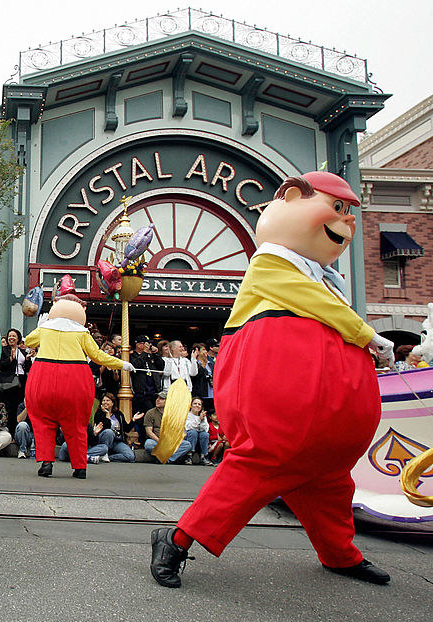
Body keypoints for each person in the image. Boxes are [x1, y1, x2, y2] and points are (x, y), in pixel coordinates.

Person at [151, 171, 394, 590]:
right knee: (256, 467)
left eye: (351, 213)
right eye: (337, 208)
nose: (348, 221)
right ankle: (175, 540)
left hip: (328, 428)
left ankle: (340, 553)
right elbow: (309, 301)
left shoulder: (326, 279)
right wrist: (366, 334)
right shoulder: (272, 264)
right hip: (281, 418)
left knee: (329, 481)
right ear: (294, 197)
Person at [24, 278, 133, 479]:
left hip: (43, 377)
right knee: (77, 425)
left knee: (43, 423)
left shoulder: (46, 329)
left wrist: (40, 325)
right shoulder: (82, 332)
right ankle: (80, 466)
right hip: (75, 381)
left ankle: (46, 463)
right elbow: (98, 356)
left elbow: (28, 342)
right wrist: (122, 364)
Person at [143, 390, 193, 464]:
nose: (158, 400)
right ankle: (166, 458)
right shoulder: (150, 413)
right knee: (148, 444)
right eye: (157, 398)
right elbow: (149, 431)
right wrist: (159, 441)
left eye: (161, 399)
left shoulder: (174, 414)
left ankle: (167, 459)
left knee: (187, 445)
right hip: (156, 441)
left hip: (170, 441)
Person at [0, 328, 30, 431]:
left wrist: (27, 360)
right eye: (10, 336)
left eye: (14, 336)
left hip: (21, 382)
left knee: (18, 407)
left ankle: (17, 433)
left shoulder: (22, 351)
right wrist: (10, 359)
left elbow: (28, 368)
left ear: (18, 338)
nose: (11, 338)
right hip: (8, 383)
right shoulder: (3, 350)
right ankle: (8, 432)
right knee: (8, 408)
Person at [93, 393, 138, 463]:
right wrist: (107, 414)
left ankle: (108, 457)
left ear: (112, 403)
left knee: (130, 456)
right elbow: (106, 427)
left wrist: (133, 420)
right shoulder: (99, 414)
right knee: (109, 432)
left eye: (108, 400)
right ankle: (105, 453)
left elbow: (126, 429)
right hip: (104, 440)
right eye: (103, 400)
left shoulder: (118, 414)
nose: (105, 402)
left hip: (117, 441)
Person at [184, 397, 210, 465]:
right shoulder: (187, 415)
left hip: (199, 437)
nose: (197, 405)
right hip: (188, 437)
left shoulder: (202, 416)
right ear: (191, 405)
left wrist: (202, 419)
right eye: (195, 403)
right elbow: (188, 427)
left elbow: (205, 429)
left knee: (205, 434)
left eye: (199, 404)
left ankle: (204, 456)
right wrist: (199, 420)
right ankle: (189, 455)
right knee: (193, 432)